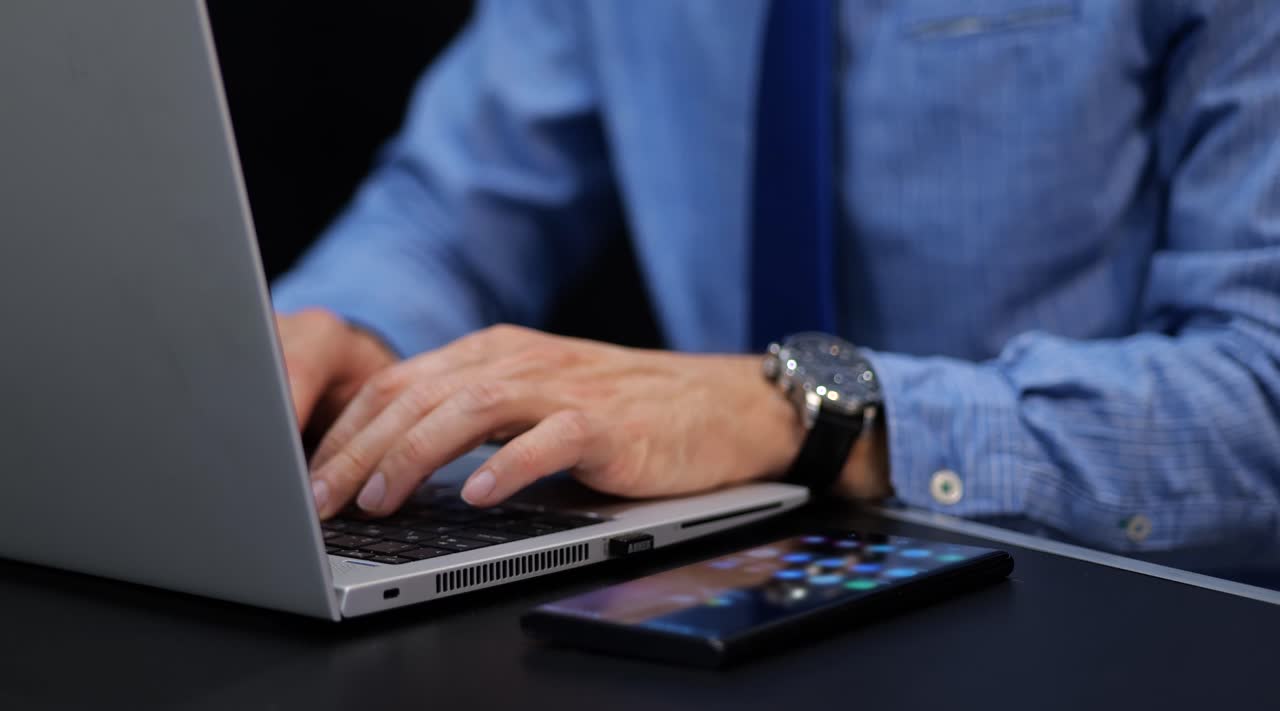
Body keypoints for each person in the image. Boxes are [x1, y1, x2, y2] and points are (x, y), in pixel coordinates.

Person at [270, 0, 1280, 573]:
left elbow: (1259, 387)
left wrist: (804, 414)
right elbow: (445, 216)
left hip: (1096, 602)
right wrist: (342, 327)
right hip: (722, 590)